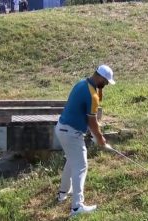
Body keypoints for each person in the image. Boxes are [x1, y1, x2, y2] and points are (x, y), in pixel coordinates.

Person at [55, 64, 115, 216]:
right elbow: (92, 122)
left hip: (61, 128)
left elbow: (91, 104)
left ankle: (62, 193)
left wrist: (100, 88)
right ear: (100, 78)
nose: (106, 85)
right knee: (81, 166)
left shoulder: (82, 83)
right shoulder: (92, 95)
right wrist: (100, 139)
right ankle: (77, 207)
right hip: (71, 133)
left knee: (72, 160)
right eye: (106, 82)